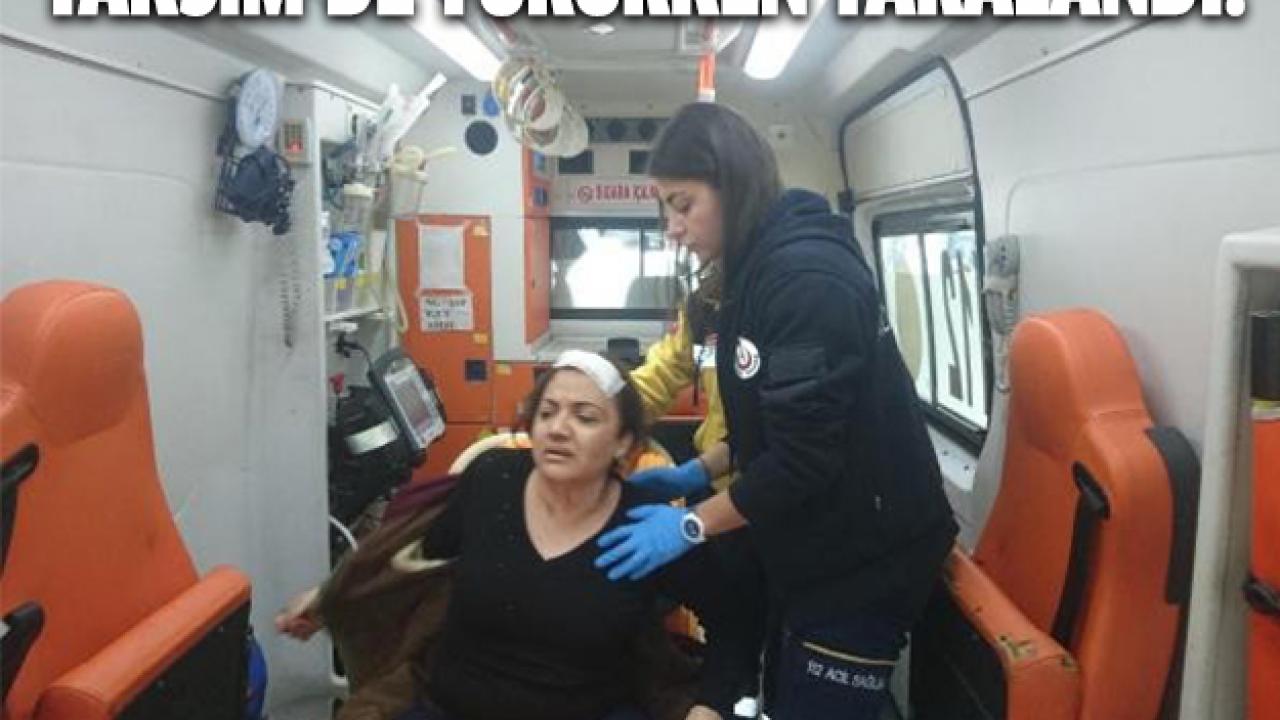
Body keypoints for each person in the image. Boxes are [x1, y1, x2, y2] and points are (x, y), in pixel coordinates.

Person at [595, 102, 958, 719]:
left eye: (683, 205)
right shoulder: (748, 275)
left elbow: (804, 459)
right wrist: (696, 472)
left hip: (863, 557)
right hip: (809, 538)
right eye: (665, 209)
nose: (672, 228)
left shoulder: (805, 281)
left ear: (733, 187)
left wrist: (689, 524)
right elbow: (773, 427)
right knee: (782, 691)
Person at [277, 350, 762, 720]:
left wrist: (709, 707)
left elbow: (734, 623)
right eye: (547, 412)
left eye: (585, 417)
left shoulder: (645, 527)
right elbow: (413, 558)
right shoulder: (493, 479)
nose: (558, 429)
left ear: (624, 443)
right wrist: (329, 597)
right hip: (448, 707)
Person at [628, 261, 730, 494]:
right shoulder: (705, 306)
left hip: (779, 485)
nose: (677, 236)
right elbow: (664, 371)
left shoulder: (792, 297)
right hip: (718, 478)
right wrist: (606, 404)